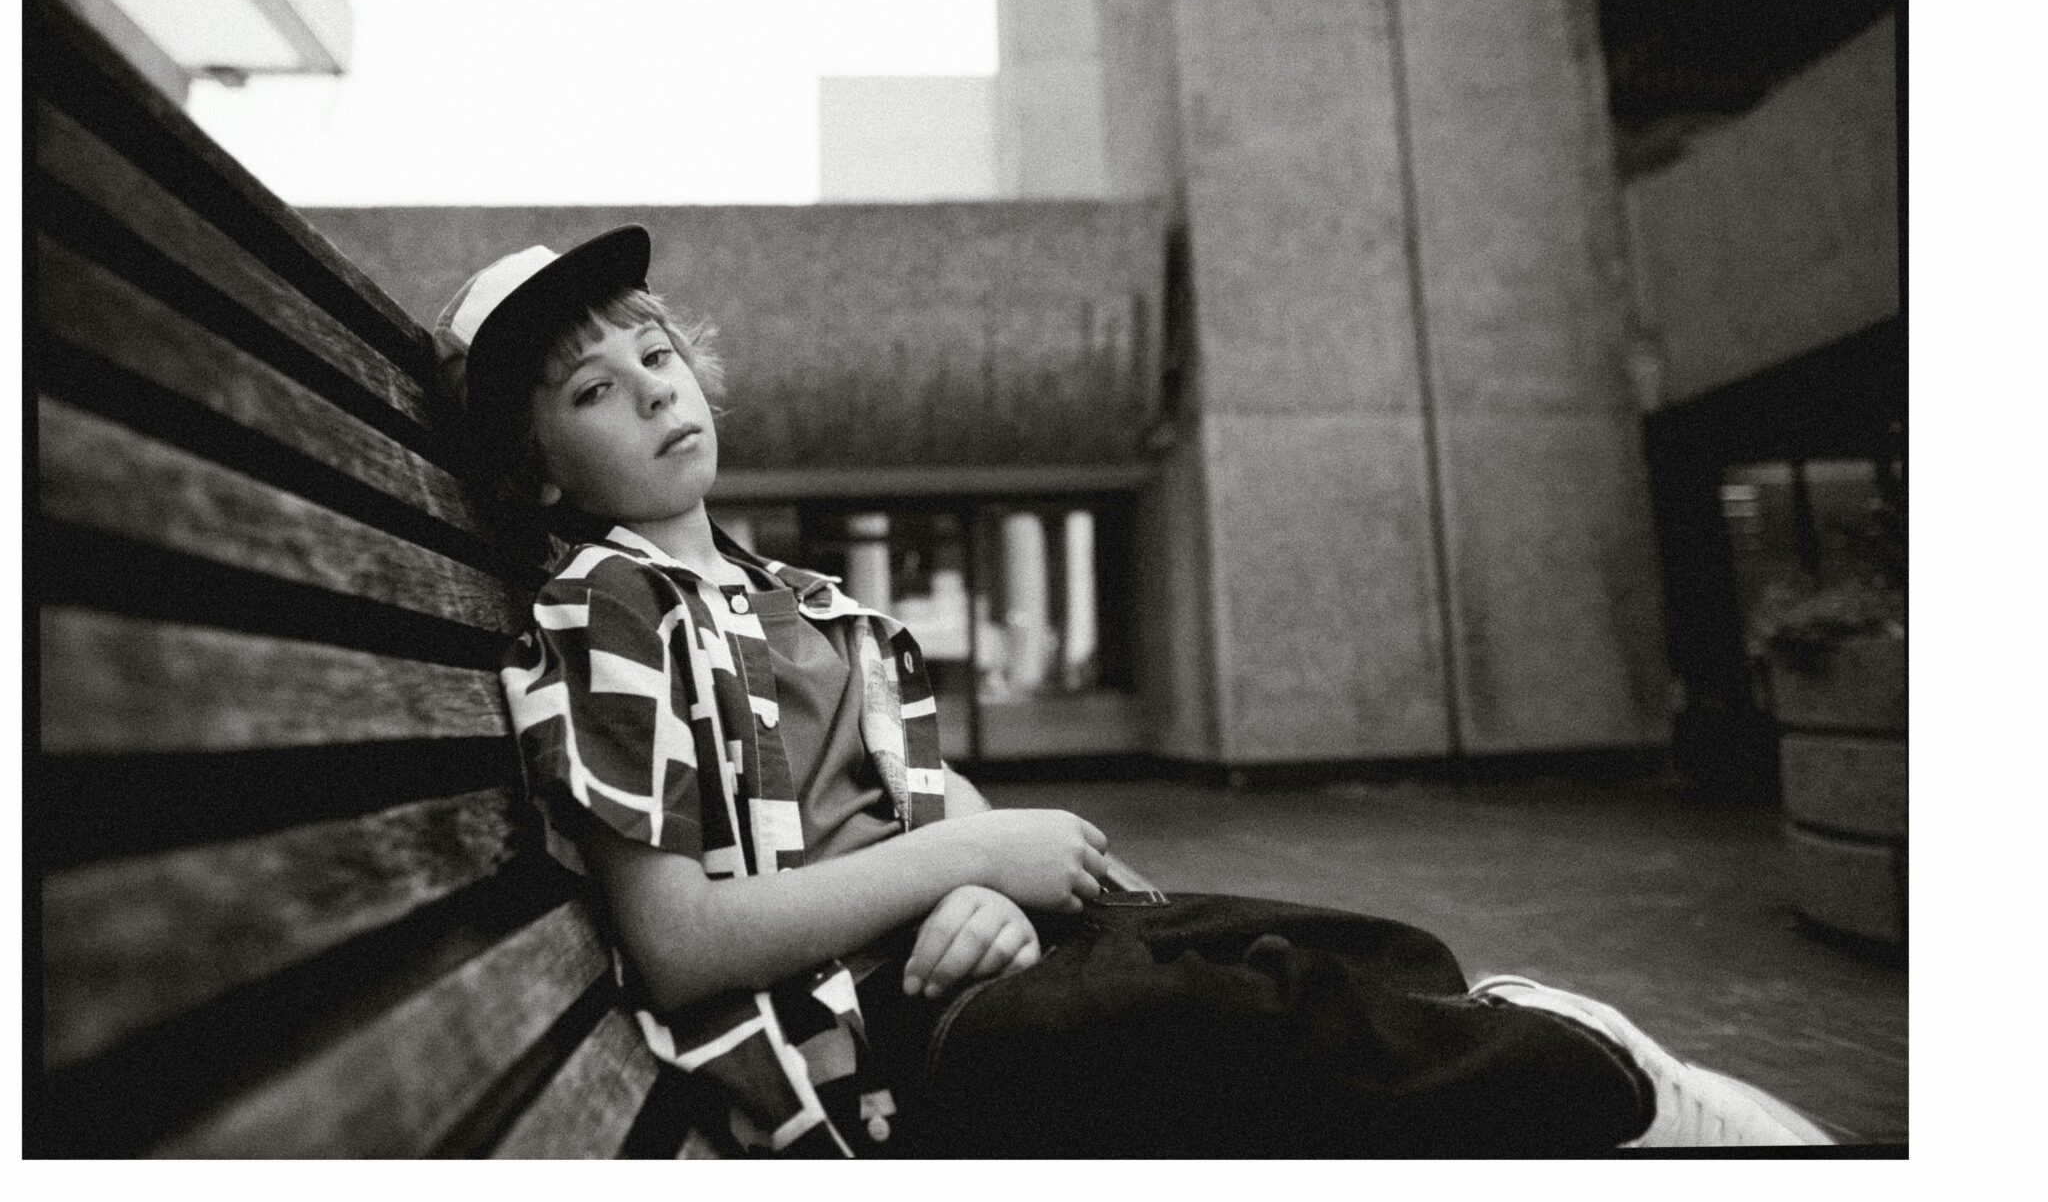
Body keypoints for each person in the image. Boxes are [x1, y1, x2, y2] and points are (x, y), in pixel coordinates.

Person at [433, 225, 1833, 1158]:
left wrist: (976, 877)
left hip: (960, 954)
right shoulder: (608, 608)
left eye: (655, 354)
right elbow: (674, 942)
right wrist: (969, 857)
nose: (653, 390)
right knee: (1149, 1021)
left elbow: (919, 800)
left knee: (1320, 948)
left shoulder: (799, 600)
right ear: (541, 467)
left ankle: (1534, 1045)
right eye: (593, 393)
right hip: (867, 1049)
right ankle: (1611, 1100)